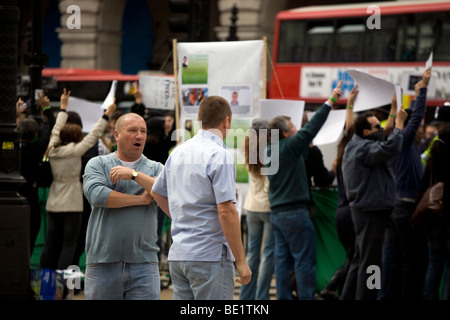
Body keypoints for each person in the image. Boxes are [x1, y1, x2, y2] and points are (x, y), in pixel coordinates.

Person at [151, 95, 252, 300]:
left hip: (179, 254)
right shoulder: (219, 154)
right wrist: (241, 261)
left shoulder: (178, 152)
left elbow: (157, 192)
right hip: (209, 255)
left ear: (200, 120)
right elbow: (226, 210)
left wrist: (182, 218)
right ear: (226, 121)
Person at [264, 81, 343, 300]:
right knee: (304, 261)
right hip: (296, 213)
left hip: (277, 214)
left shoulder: (269, 151)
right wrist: (331, 101)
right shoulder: (290, 148)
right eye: (293, 128)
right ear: (285, 133)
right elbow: (312, 127)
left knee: (282, 262)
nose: (298, 130)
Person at [82, 112, 164, 300]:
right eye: (133, 130)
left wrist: (134, 175)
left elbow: (165, 192)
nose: (140, 136)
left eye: (143, 131)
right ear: (116, 135)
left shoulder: (156, 168)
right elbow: (97, 196)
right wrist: (140, 200)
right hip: (103, 263)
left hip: (145, 264)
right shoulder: (98, 164)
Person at [39, 89, 116, 273]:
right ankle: (63, 285)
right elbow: (94, 134)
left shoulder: (52, 149)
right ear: (77, 136)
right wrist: (107, 114)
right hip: (73, 201)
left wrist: (62, 108)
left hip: (54, 200)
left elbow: (56, 129)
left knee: (49, 245)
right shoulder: (76, 150)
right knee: (69, 246)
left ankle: (43, 281)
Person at [341, 104, 407, 300]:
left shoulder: (356, 144)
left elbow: (384, 136)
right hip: (371, 212)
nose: (382, 128)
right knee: (372, 265)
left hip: (366, 211)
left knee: (360, 260)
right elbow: (392, 146)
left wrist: (394, 108)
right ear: (366, 131)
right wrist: (400, 124)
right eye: (377, 127)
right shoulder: (364, 148)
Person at [379, 68, 431, 300]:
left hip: (393, 206)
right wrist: (423, 90)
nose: (419, 128)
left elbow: (404, 122)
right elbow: (417, 115)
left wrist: (393, 111)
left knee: (390, 258)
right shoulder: (401, 140)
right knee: (412, 259)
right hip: (406, 206)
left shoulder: (389, 142)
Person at [320, 85, 358, 300]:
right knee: (360, 257)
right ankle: (340, 290)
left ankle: (337, 288)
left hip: (341, 212)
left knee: (353, 255)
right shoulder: (362, 153)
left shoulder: (345, 153)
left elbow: (349, 132)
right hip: (354, 213)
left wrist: (350, 104)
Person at [239, 118, 275, 300]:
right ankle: (262, 298)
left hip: (252, 206)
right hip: (268, 208)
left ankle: (246, 297)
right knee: (268, 253)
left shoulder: (248, 149)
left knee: (252, 254)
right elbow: (270, 185)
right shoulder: (270, 151)